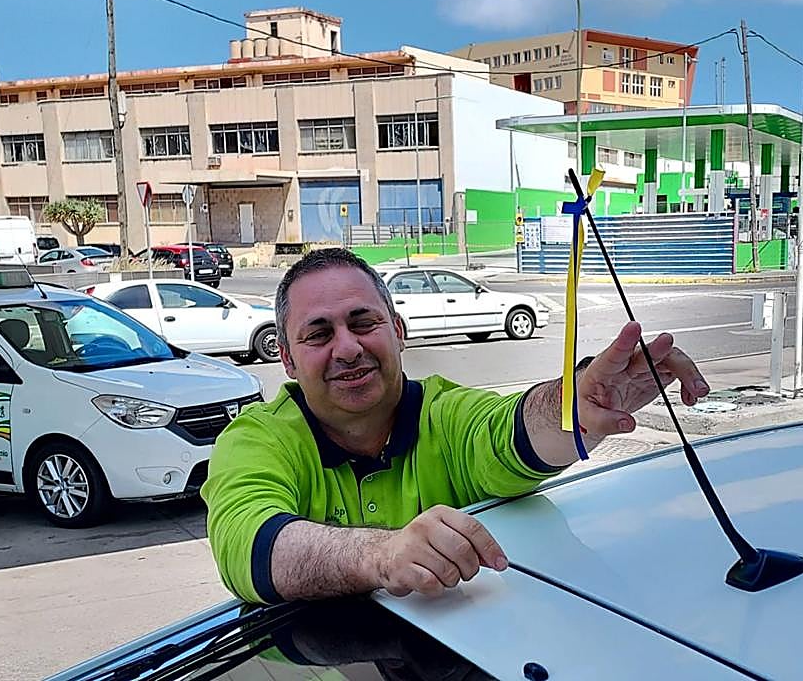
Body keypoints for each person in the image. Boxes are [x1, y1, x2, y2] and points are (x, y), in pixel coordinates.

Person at [202, 248, 710, 605]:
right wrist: (382, 553)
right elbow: (247, 547)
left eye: (363, 323)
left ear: (398, 331)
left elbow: (510, 433)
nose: (348, 348)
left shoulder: (446, 414)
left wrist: (574, 405)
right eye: (318, 334)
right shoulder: (256, 439)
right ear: (287, 359)